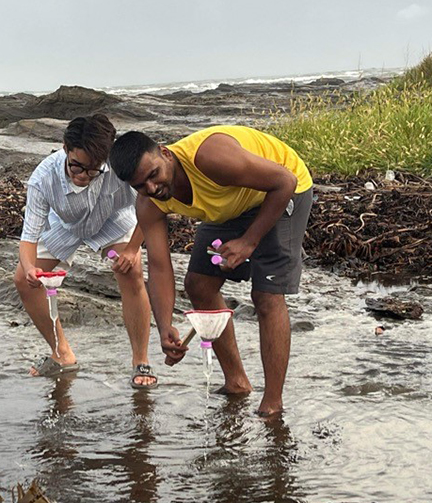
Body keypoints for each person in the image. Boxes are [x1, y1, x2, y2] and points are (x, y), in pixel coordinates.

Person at [109, 125, 313, 416]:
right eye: (140, 185)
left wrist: (248, 241)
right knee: (198, 285)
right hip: (231, 203)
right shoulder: (149, 203)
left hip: (281, 190)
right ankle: (237, 382)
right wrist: (165, 327)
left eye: (154, 175)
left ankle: (272, 403)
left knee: (266, 296)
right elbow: (159, 267)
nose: (152, 188)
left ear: (165, 153)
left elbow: (285, 181)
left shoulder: (210, 158)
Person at [15, 114, 157, 389]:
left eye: (93, 170)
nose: (82, 176)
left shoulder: (118, 167)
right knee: (22, 279)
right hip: (65, 225)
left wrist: (131, 248)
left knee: (133, 271)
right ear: (65, 149)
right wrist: (31, 268)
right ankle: (62, 354)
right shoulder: (43, 179)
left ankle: (141, 360)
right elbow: (29, 236)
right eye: (76, 167)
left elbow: (150, 205)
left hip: (111, 219)